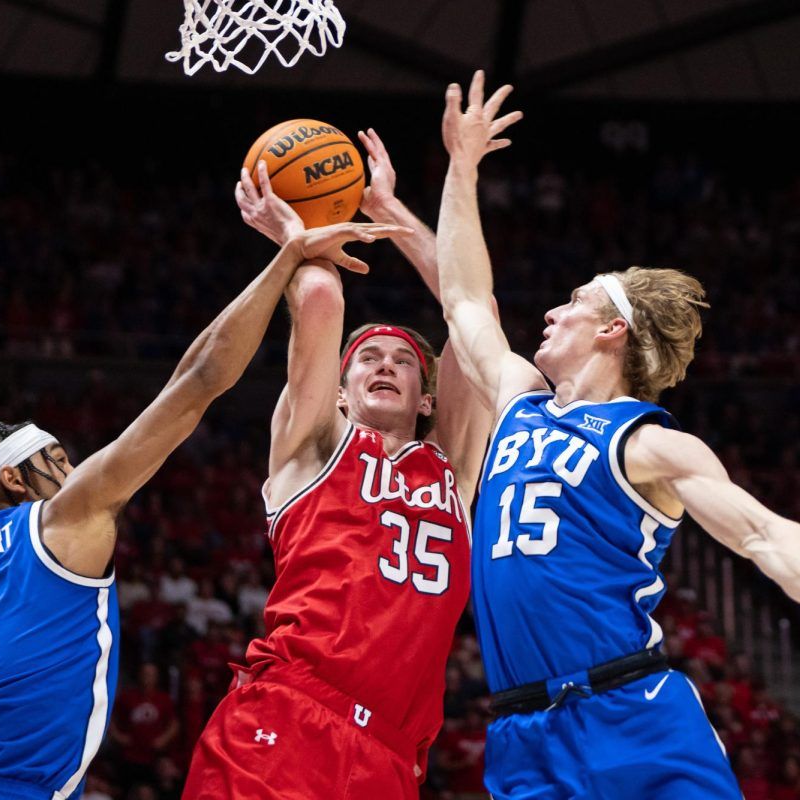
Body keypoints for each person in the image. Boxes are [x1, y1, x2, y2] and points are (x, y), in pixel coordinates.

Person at [0, 221, 405, 800]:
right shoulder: (61, 522)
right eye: (57, 456)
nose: (73, 469)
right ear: (15, 478)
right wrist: (286, 258)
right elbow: (200, 378)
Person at [434, 70, 800, 799]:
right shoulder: (517, 399)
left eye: (573, 303)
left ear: (613, 329)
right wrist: (461, 168)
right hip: (523, 733)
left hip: (633, 715)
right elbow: (463, 295)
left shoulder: (645, 441)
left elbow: (760, 533)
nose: (551, 314)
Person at [182, 146, 491, 799]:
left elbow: (470, 311)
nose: (383, 364)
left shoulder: (455, 470)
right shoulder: (313, 446)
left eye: (402, 360)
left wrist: (389, 212)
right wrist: (296, 245)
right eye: (366, 357)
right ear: (341, 393)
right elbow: (321, 297)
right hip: (285, 720)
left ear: (427, 396)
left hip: (390, 756)